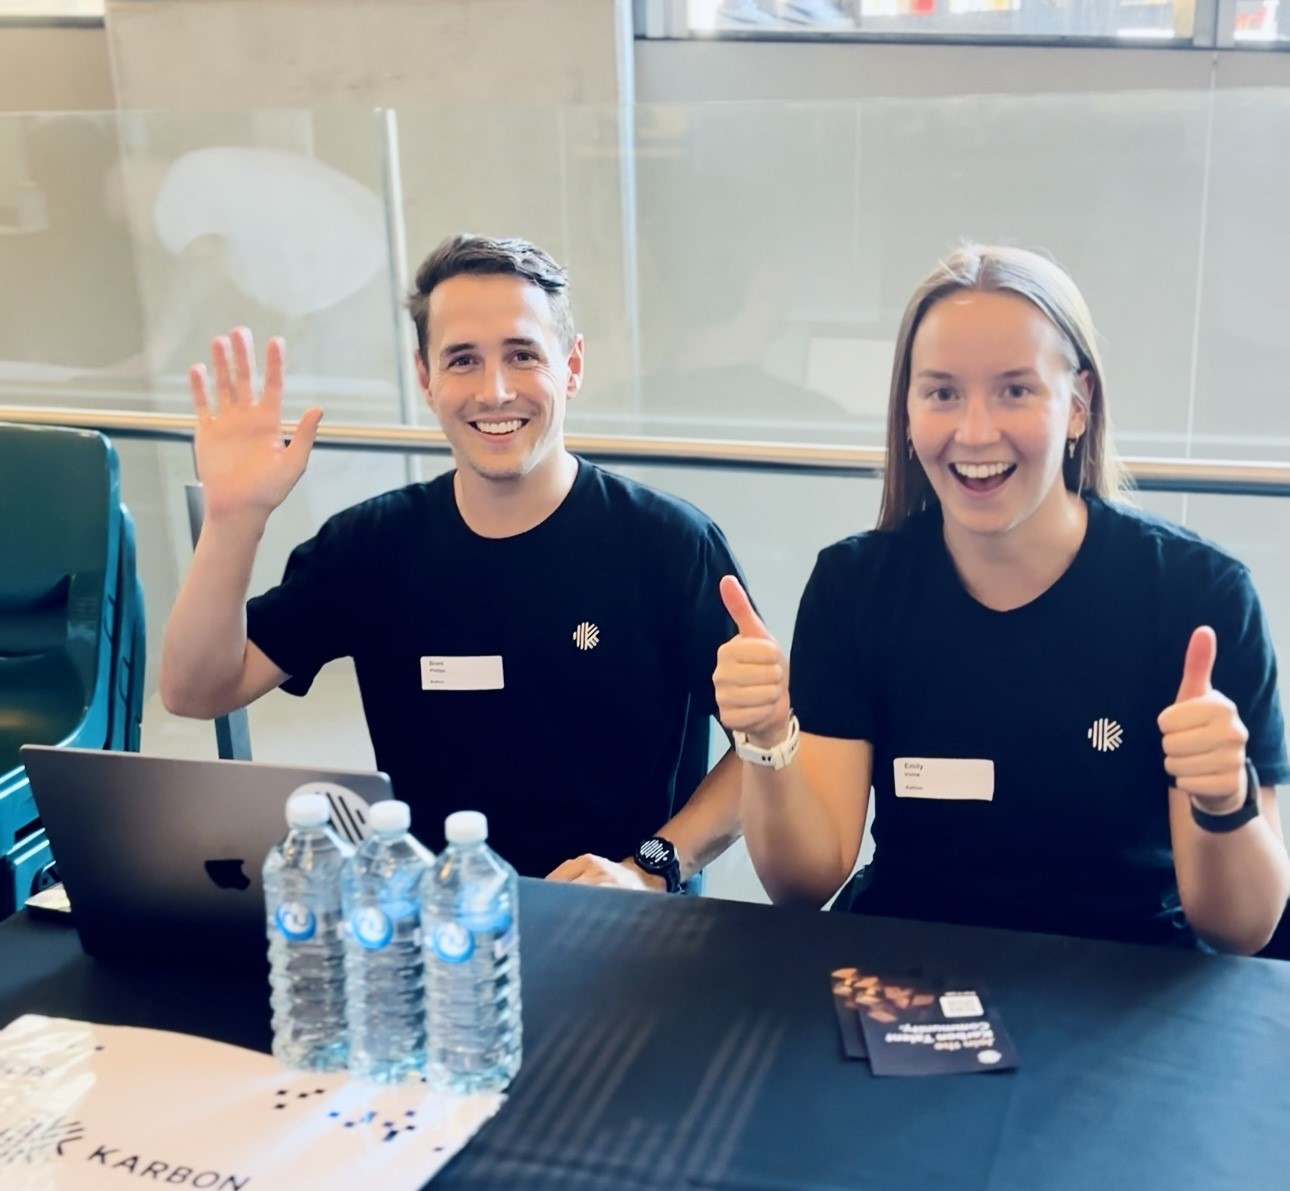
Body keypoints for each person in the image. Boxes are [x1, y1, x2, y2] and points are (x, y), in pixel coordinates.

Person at [713, 244, 1290, 954]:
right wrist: (768, 741)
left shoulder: (1197, 594)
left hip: (1124, 985)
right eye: (942, 392)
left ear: (1077, 405)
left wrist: (1224, 799)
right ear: (906, 412)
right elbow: (805, 882)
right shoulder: (855, 586)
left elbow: (1241, 929)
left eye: (1015, 390)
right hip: (906, 978)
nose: (975, 431)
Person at [160, 233, 748, 892]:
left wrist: (650, 868)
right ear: (425, 377)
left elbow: (766, 750)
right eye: (462, 359)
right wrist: (232, 520)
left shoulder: (669, 543)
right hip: (438, 932)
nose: (494, 391)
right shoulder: (370, 545)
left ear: (572, 366)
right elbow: (196, 689)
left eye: (522, 355)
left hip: (625, 928)